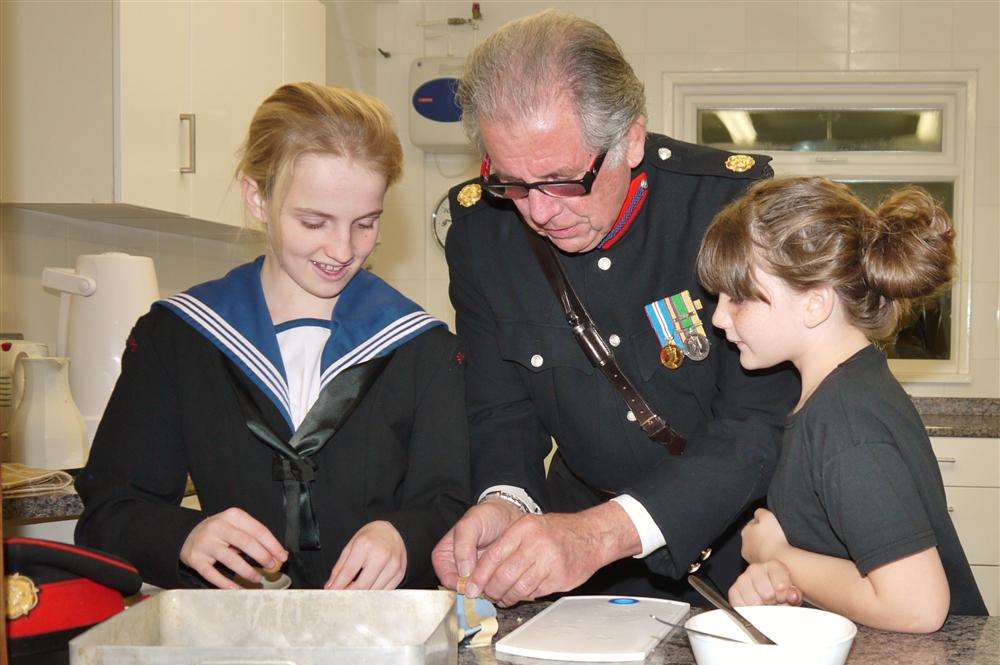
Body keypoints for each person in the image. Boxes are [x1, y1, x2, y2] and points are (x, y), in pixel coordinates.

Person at [431, 10, 799, 607]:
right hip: (580, 561)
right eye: (512, 183)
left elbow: (757, 423)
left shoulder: (726, 211)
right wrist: (505, 503)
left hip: (744, 547)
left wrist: (601, 534)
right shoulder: (480, 234)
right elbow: (500, 410)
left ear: (630, 137)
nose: (538, 212)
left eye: (560, 180)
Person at [75, 82, 470, 591]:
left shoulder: (422, 348)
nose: (343, 249)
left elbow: (449, 502)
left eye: (366, 223)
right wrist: (186, 535)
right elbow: (109, 511)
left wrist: (402, 536)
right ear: (257, 196)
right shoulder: (179, 337)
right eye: (314, 221)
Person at [696, 177, 987, 630]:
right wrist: (784, 580)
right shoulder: (838, 395)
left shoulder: (846, 421)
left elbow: (916, 605)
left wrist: (779, 555)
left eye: (739, 298)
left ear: (814, 304)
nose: (718, 317)